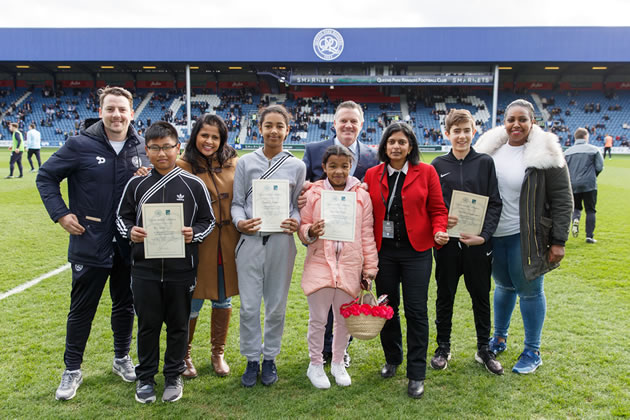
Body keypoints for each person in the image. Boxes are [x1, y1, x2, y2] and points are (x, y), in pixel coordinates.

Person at [37, 86, 151, 400]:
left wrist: (147, 176)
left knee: (126, 304)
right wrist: (61, 214)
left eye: (122, 109)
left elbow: (156, 187)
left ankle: (121, 357)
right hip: (89, 242)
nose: (117, 115)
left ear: (131, 113)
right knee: (81, 310)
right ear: (101, 111)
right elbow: (45, 176)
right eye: (110, 109)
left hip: (129, 244)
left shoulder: (142, 146)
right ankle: (72, 369)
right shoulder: (79, 144)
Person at [116, 121, 214, 403]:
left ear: (177, 148)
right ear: (146, 150)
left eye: (167, 147)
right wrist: (131, 232)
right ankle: (146, 377)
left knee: (178, 325)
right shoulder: (136, 183)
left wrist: (193, 233)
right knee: (147, 325)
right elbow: (122, 219)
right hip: (144, 269)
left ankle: (173, 375)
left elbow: (208, 221)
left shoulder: (194, 185)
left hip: (181, 270)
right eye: (155, 148)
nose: (162, 153)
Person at [474, 99, 573, 374]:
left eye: (522, 119)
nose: (515, 124)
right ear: (503, 122)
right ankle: (499, 338)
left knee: (530, 291)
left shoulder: (546, 154)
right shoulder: (489, 151)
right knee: (503, 287)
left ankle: (532, 349)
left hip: (527, 235)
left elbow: (564, 200)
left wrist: (559, 241)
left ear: (533, 123)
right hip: (495, 234)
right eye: (510, 119)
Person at [364, 122, 449, 399]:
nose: (396, 147)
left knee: (416, 311)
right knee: (387, 308)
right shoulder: (372, 174)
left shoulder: (426, 172)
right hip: (384, 253)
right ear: (384, 146)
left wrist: (439, 229)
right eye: (391, 142)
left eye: (402, 142)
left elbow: (438, 209)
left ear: (410, 146)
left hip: (417, 252)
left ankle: (416, 372)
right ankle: (393, 358)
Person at [231, 105, 306, 388]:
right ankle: (252, 358)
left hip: (281, 242)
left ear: (288, 130)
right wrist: (240, 224)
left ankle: (270, 357)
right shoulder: (245, 162)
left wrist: (295, 222)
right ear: (259, 128)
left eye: (279, 126)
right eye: (268, 125)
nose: (274, 131)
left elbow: (297, 206)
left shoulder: (296, 166)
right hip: (249, 241)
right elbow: (237, 204)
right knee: (249, 307)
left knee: (276, 306)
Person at [301, 100, 379, 366]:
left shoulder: (372, 156)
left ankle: (340, 351)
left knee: (346, 304)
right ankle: (321, 354)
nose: (348, 125)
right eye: (343, 120)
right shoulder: (313, 151)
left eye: (353, 121)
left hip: (351, 247)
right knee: (321, 309)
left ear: (361, 125)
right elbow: (302, 193)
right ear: (334, 123)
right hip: (321, 247)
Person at [429, 109, 504, 375]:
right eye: (456, 131)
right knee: (445, 296)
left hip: (478, 244)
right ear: (446, 133)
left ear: (474, 131)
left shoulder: (485, 163)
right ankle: (443, 347)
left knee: (481, 296)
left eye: (466, 130)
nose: (461, 136)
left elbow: (495, 203)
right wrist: (437, 230)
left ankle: (484, 348)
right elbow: (432, 207)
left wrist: (483, 235)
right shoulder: (436, 166)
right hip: (448, 245)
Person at [176, 114, 240, 378]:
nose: (209, 141)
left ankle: (218, 353)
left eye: (215, 137)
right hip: (197, 244)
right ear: (195, 136)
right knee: (193, 301)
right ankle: (185, 355)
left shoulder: (233, 162)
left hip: (228, 243)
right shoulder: (181, 165)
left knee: (223, 300)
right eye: (205, 135)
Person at [565, 127, 604, 244]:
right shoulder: (594, 150)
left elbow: (564, 170)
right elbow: (599, 167)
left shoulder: (567, 152)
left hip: (573, 184)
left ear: (575, 137)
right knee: (590, 210)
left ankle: (576, 220)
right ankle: (589, 236)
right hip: (589, 184)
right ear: (586, 137)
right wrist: (592, 176)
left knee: (576, 208)